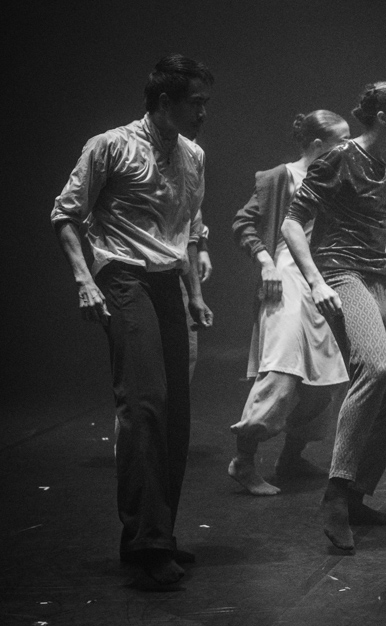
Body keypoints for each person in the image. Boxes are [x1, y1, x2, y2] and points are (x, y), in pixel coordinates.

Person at [50, 55, 214, 586]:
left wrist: (194, 295)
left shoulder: (193, 155)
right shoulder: (110, 145)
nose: (203, 114)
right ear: (165, 102)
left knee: (175, 414)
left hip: (167, 283)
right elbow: (66, 214)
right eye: (195, 103)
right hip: (123, 277)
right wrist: (84, 280)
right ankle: (148, 544)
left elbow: (188, 229)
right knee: (144, 406)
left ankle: (155, 533)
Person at [281, 82, 386, 552]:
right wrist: (316, 281)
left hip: (377, 277)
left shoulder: (383, 169)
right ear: (383, 116)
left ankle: (358, 494)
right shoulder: (340, 157)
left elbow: (379, 238)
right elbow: (291, 222)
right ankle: (336, 495)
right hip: (341, 274)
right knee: (375, 368)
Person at [228, 111, 352, 496]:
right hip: (287, 278)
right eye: (341, 140)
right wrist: (265, 263)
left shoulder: (338, 180)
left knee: (324, 380)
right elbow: (243, 224)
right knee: (282, 371)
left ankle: (292, 457)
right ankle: (244, 460)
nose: (348, 147)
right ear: (317, 145)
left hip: (322, 280)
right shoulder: (279, 178)